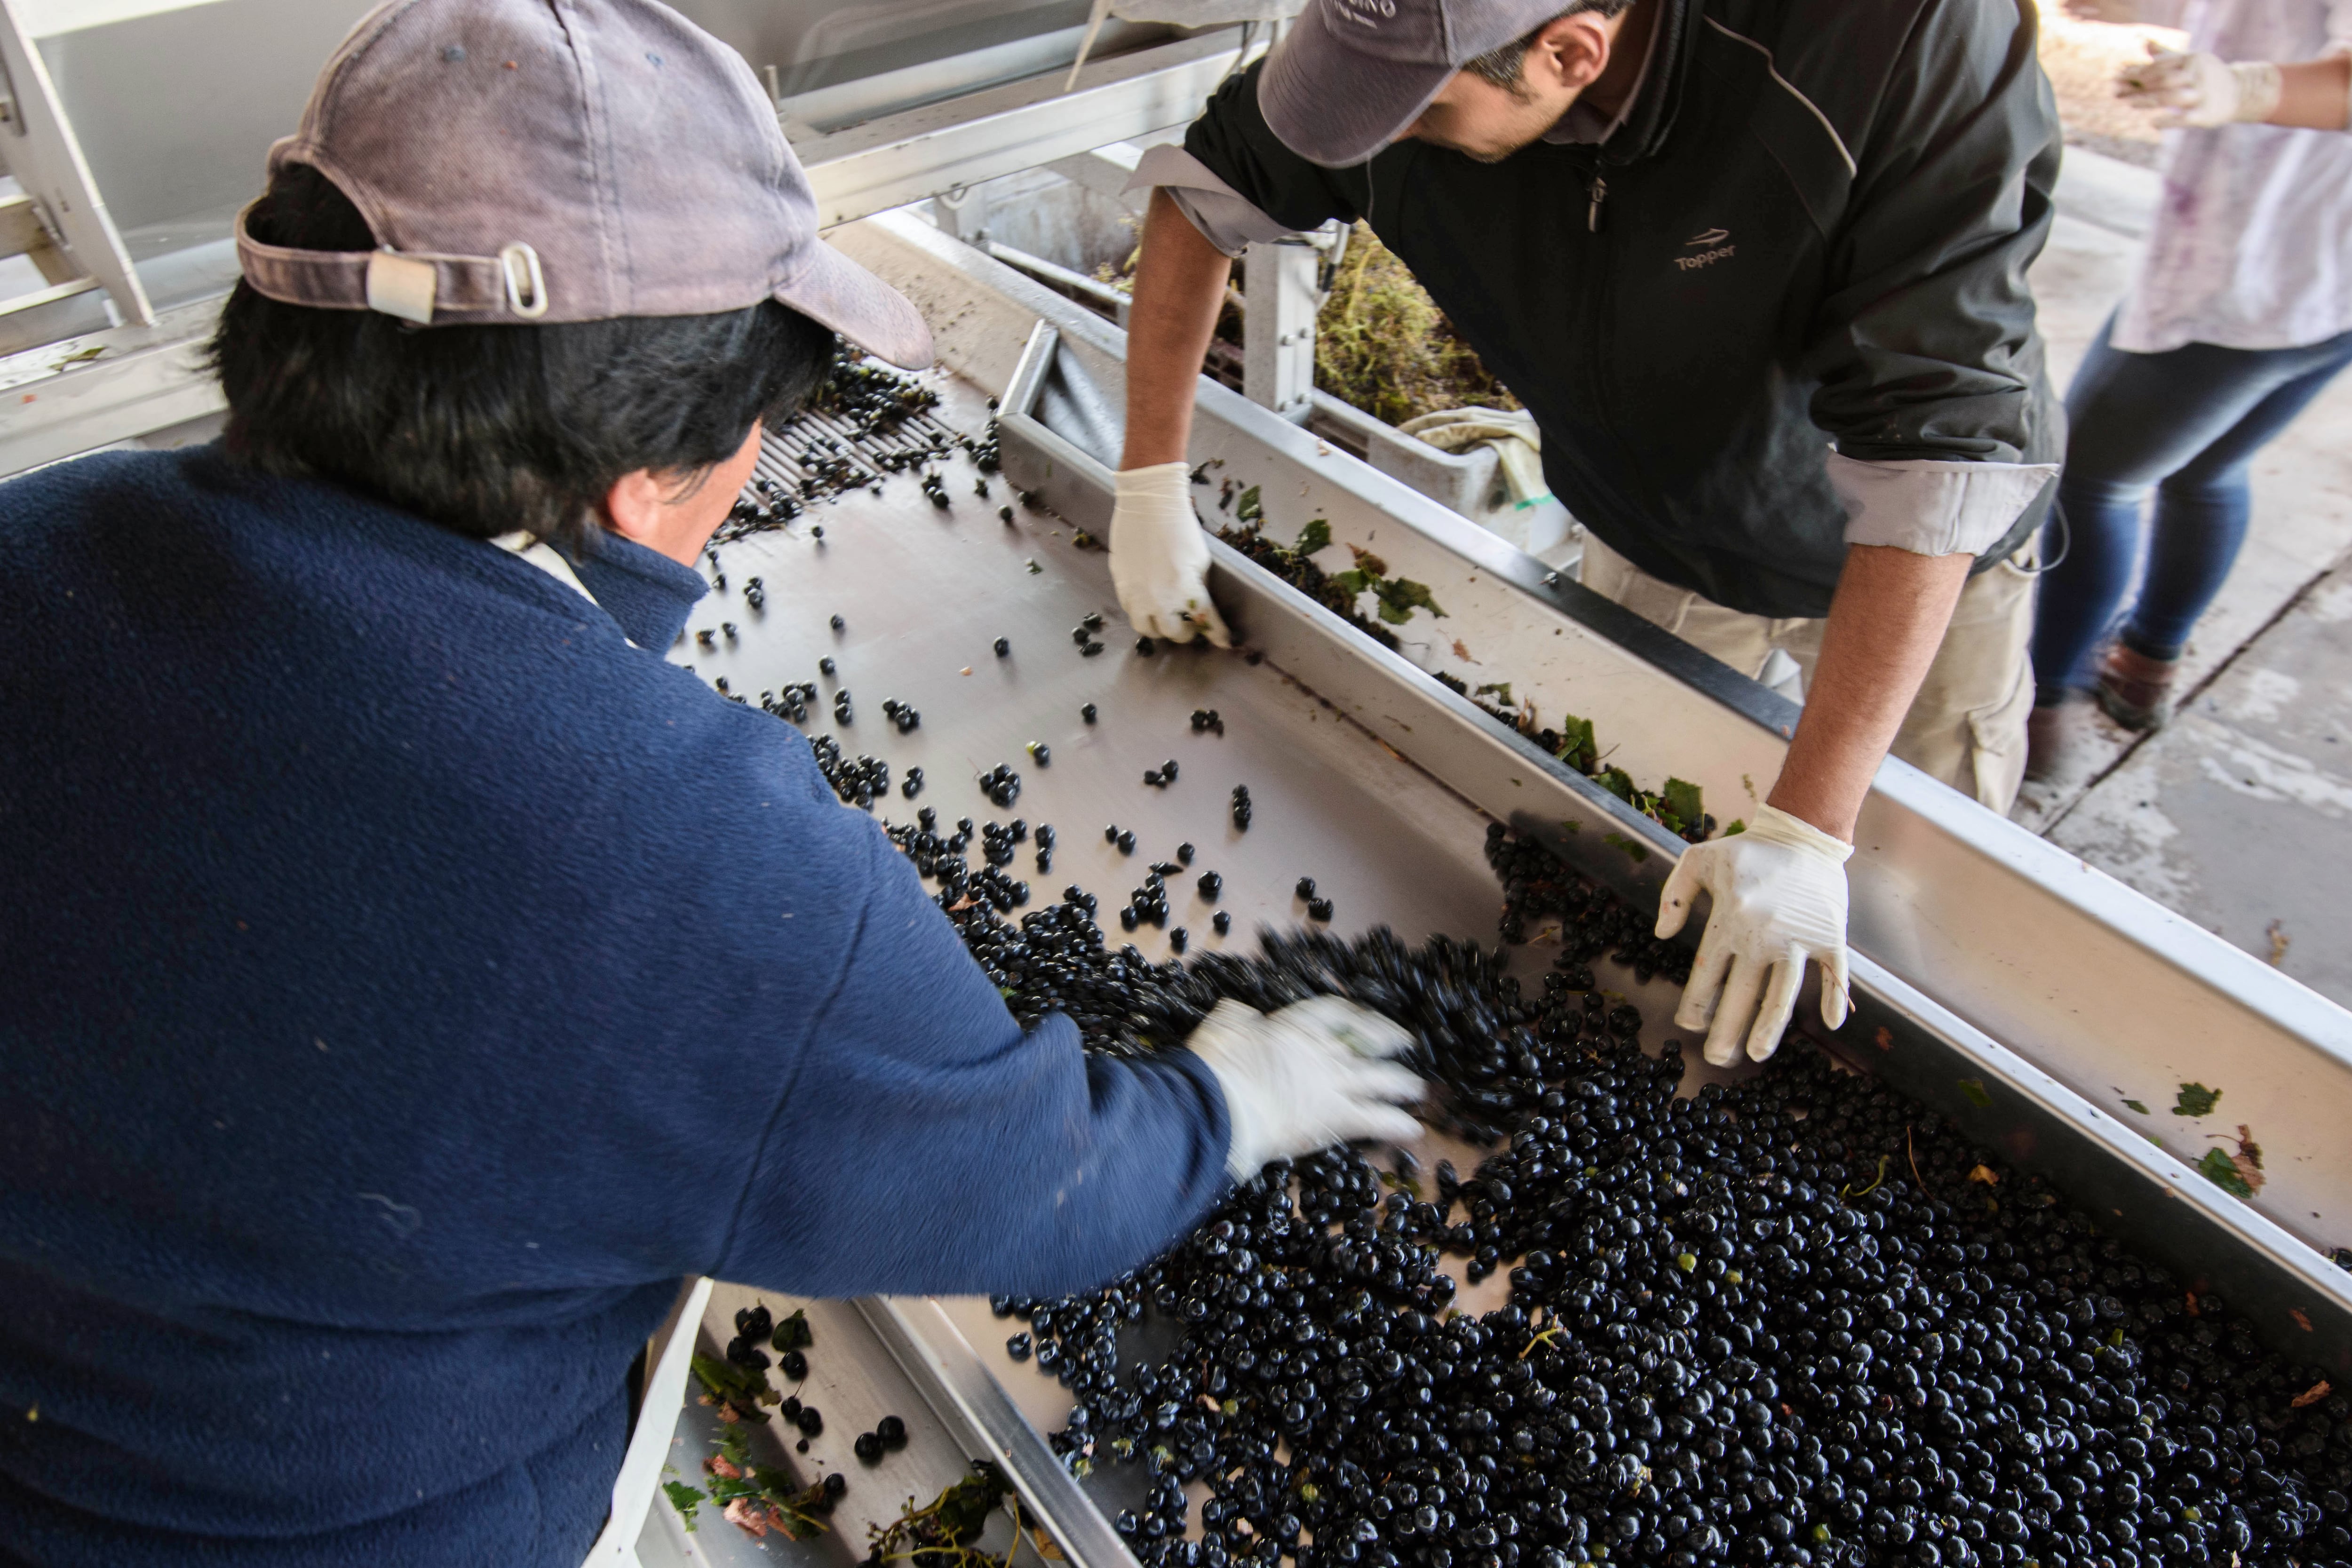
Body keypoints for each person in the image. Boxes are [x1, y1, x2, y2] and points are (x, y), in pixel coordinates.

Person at [0, 3, 1425, 1564]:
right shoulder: (682, 853)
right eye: (754, 429)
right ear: (643, 474)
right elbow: (1028, 1186)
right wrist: (1233, 1100)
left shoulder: (42, 533)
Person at [1107, 0, 2063, 1066]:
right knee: (1649, 878)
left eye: (1417, 113)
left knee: (1919, 899)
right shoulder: (1407, 62)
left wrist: (1808, 826)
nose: (1375, 138)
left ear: (1569, 53)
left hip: (1923, 565)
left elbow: (1938, 439)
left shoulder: (1903, 37)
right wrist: (1148, 473)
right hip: (1659, 529)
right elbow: (1206, 194)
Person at [2023, 0, 2352, 779]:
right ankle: (2144, 666)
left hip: (2256, 271)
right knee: (2209, 470)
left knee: (2094, 480)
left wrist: (2242, 88)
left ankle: (2040, 708)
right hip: (2317, 279)